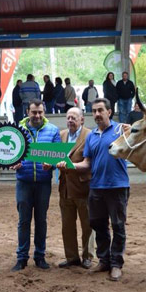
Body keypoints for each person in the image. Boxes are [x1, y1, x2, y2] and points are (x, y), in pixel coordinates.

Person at [58, 98, 129, 282]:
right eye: (94, 111)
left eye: (100, 110)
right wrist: (70, 165)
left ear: (109, 112)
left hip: (117, 186)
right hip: (96, 187)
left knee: (118, 226)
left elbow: (137, 138)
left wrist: (131, 129)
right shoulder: (91, 137)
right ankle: (104, 260)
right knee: (99, 226)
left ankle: (116, 264)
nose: (97, 114)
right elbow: (87, 163)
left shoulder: (120, 130)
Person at [10, 99, 61, 271]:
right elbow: (11, 154)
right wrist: (13, 163)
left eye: (40, 112)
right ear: (27, 112)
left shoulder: (53, 131)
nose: (37, 115)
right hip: (23, 182)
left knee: (41, 221)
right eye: (34, 112)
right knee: (23, 221)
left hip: (43, 183)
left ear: (44, 112)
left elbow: (58, 156)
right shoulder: (17, 130)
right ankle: (22, 258)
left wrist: (51, 164)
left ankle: (40, 256)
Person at [57, 107, 94, 269]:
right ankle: (72, 257)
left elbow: (89, 163)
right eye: (68, 118)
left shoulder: (90, 135)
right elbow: (55, 157)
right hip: (64, 188)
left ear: (82, 120)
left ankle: (87, 257)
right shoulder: (61, 135)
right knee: (67, 225)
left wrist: (69, 165)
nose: (70, 120)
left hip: (83, 187)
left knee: (87, 225)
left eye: (74, 118)